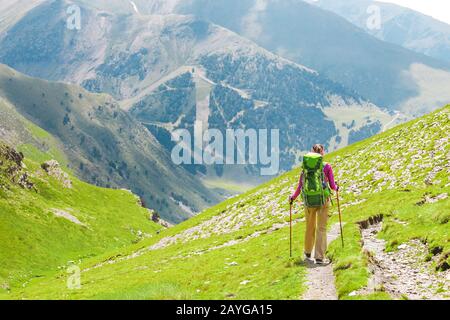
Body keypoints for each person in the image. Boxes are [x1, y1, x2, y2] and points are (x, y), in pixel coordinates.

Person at [289, 144, 338, 265]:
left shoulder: (305, 168)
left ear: (311, 152)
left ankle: (307, 251)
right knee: (321, 228)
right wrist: (337, 187)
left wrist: (292, 198)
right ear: (323, 152)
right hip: (323, 200)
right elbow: (332, 186)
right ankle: (320, 257)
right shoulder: (327, 166)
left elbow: (300, 187)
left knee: (310, 226)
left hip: (309, 202)